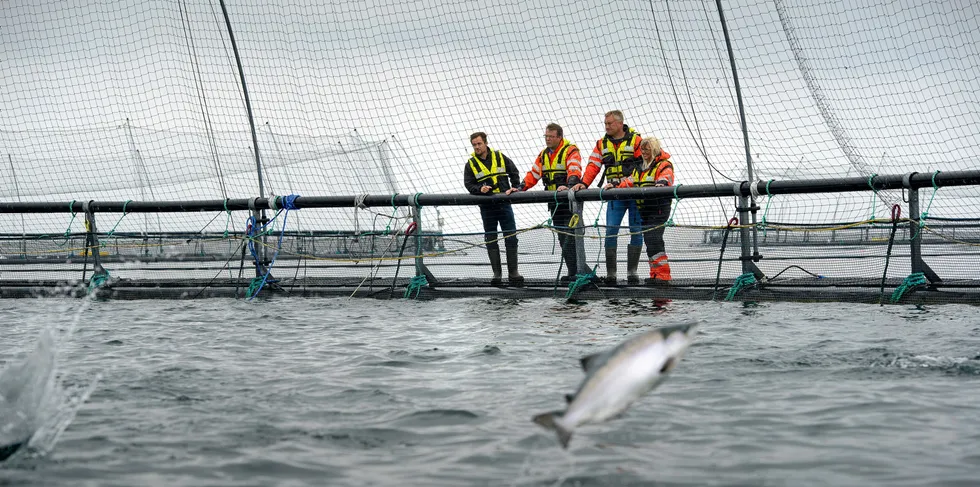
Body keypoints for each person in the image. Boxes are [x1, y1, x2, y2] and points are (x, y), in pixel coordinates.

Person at [571, 110, 643, 285]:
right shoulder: (601, 144)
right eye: (605, 123)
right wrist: (584, 184)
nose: (607, 126)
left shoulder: (636, 141)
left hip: (635, 193)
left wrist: (624, 183)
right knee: (611, 231)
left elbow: (642, 167)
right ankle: (611, 274)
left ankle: (632, 273)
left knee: (637, 231)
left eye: (609, 123)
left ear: (620, 124)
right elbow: (593, 165)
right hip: (614, 195)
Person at [518, 123, 584, 282]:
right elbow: (533, 175)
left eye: (551, 136)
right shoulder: (543, 155)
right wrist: (520, 187)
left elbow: (574, 170)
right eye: (546, 136)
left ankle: (578, 271)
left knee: (572, 236)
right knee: (562, 238)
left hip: (569, 203)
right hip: (554, 204)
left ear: (559, 137)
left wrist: (569, 186)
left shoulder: (570, 150)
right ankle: (572, 271)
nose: (547, 139)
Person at [604, 136, 674, 283]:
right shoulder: (640, 168)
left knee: (654, 239)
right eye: (642, 149)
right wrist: (616, 185)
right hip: (646, 211)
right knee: (650, 241)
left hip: (658, 209)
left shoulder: (663, 165)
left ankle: (662, 275)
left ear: (654, 149)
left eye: (647, 149)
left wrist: (661, 183)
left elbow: (666, 176)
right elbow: (630, 181)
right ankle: (656, 274)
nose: (644, 152)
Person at [463, 132, 524, 286]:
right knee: (491, 238)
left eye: (479, 144)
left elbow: (514, 172)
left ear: (485, 143)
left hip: (504, 203)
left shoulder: (500, 157)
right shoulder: (470, 164)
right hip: (487, 207)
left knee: (511, 236)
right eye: (474, 145)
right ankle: (497, 274)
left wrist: (515, 188)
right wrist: (479, 189)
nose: (477, 147)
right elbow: (469, 184)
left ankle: (513, 273)